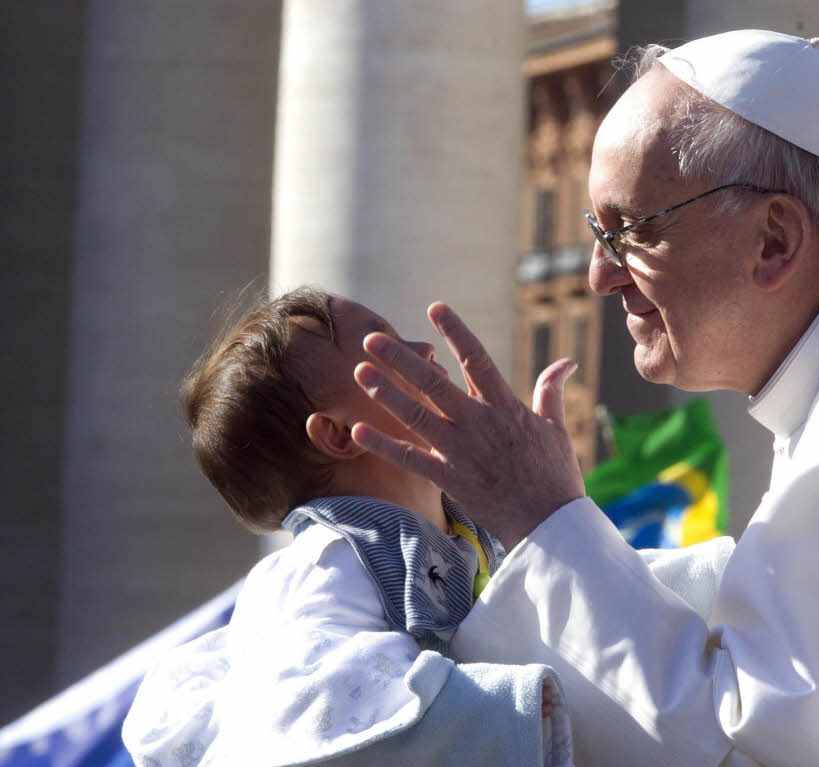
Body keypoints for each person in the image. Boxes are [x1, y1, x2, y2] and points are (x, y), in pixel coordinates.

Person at [347, 30, 819, 766]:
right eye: (593, 233)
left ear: (774, 240)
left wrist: (543, 518)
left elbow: (741, 753)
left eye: (630, 231)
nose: (600, 276)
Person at [121, 289, 572, 766]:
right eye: (386, 348)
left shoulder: (470, 530)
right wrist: (498, 708)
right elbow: (312, 711)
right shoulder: (329, 560)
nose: (424, 351)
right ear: (338, 435)